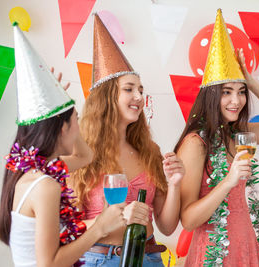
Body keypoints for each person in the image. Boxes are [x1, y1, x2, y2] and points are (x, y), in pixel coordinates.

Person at [174, 9, 259, 267]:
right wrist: (229, 181)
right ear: (211, 96)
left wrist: (252, 83)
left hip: (246, 247)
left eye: (241, 92)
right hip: (214, 255)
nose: (236, 100)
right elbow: (188, 219)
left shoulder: (240, 136)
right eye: (227, 92)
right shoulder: (196, 144)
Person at [0, 24, 126, 267]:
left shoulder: (34, 174)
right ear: (62, 129)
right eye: (75, 121)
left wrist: (62, 109)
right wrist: (99, 227)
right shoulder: (45, 185)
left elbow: (86, 155)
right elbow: (50, 263)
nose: (79, 128)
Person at [70, 14, 184, 267]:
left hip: (150, 258)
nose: (139, 96)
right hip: (98, 259)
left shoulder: (149, 150)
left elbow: (166, 226)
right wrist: (117, 216)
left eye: (141, 90)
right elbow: (65, 226)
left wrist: (175, 184)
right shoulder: (80, 152)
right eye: (129, 89)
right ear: (107, 96)